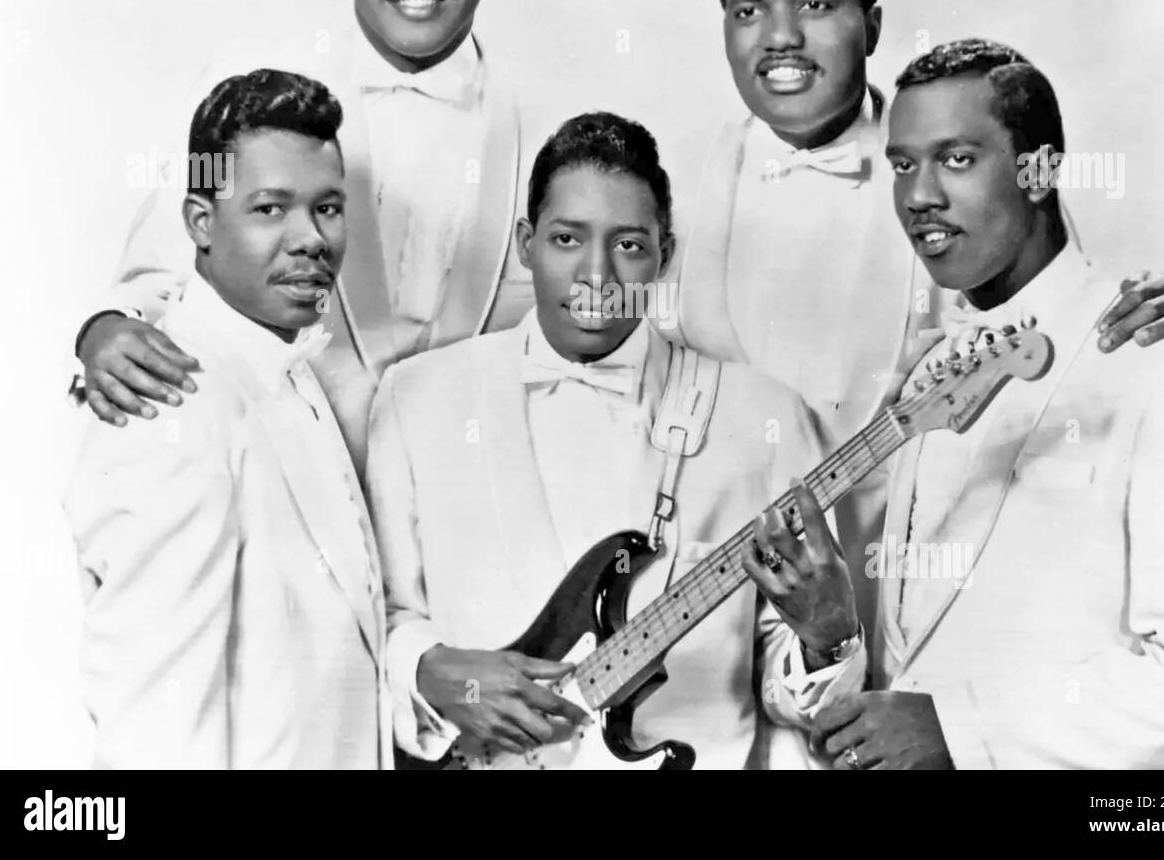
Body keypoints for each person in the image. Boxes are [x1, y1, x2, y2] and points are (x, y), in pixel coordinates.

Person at [809, 40, 1164, 769]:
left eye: (956, 159)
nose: (919, 195)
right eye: (902, 164)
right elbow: (908, 661)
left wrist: (962, 730)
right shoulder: (925, 373)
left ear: (1041, 169)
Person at [367, 112, 864, 769]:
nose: (596, 275)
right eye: (567, 239)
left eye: (628, 246)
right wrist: (430, 670)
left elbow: (793, 692)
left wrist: (829, 637)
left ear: (667, 253)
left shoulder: (765, 417)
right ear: (525, 243)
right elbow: (376, 622)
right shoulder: (415, 398)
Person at [72, 0, 531, 468]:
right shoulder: (251, 87)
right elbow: (158, 273)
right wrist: (104, 329)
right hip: (282, 482)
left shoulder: (542, 129)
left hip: (459, 499)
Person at [64, 70, 390, 769]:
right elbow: (154, 741)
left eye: (328, 208)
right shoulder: (168, 408)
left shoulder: (287, 370)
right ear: (200, 223)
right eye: (271, 208)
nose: (311, 239)